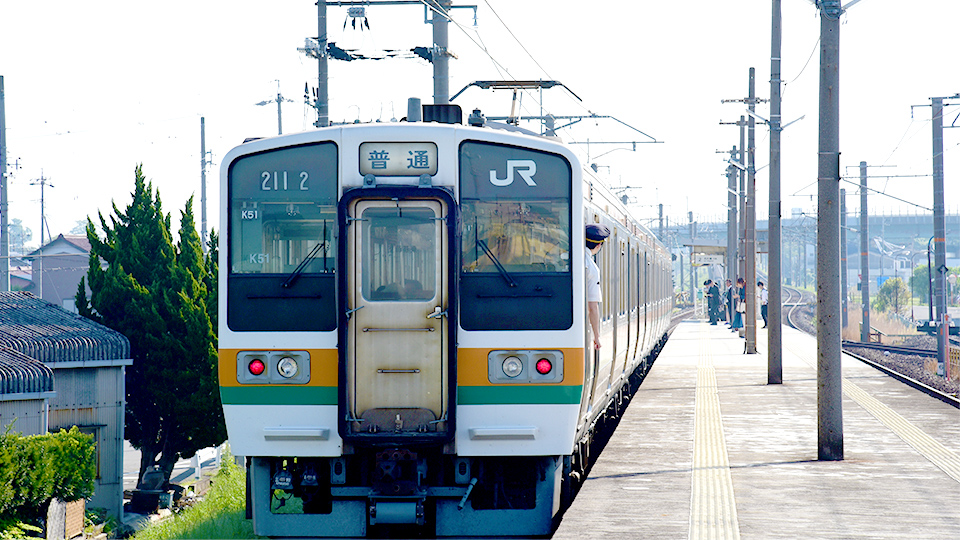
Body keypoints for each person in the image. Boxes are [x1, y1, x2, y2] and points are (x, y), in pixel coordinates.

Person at [585, 223, 610, 349]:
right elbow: (592, 307)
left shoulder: (566, 257)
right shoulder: (591, 267)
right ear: (599, 245)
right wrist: (596, 336)